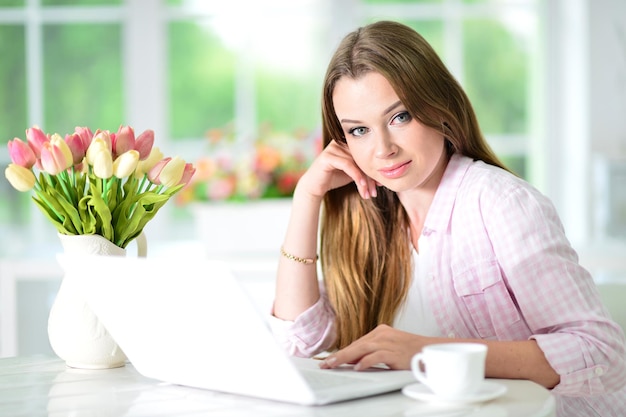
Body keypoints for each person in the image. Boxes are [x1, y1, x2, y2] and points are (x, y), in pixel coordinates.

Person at [269, 20, 626, 416]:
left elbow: (601, 354)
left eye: (399, 117)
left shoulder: (501, 204)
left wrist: (429, 353)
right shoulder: (368, 221)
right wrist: (307, 196)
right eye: (359, 130)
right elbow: (299, 343)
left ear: (438, 108)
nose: (382, 149)